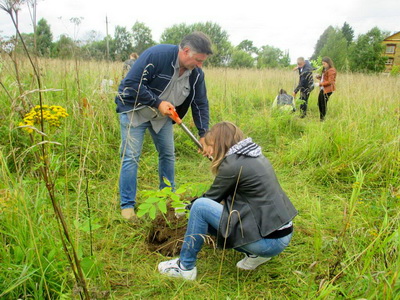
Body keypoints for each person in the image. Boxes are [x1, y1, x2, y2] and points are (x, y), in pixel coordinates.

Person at [158, 122, 298, 280]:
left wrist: (185, 208)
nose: (208, 150)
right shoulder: (253, 155)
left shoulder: (233, 165)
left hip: (269, 242)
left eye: (211, 145)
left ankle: (184, 267)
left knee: (200, 207)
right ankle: (255, 255)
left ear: (221, 144)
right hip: (281, 233)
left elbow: (210, 199)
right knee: (210, 213)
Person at [115, 32, 213, 220]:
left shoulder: (196, 75)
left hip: (162, 118)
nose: (200, 66)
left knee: (168, 155)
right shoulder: (157, 56)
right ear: (185, 51)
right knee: (130, 156)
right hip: (135, 112)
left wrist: (204, 134)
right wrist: (157, 102)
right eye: (198, 60)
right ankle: (127, 205)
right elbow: (131, 84)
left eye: (203, 62)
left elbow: (200, 103)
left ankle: (167, 198)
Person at [316, 57, 336, 121]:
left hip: (328, 89)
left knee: (323, 103)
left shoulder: (331, 70)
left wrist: (319, 84)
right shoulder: (325, 70)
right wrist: (319, 78)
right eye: (322, 64)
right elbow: (325, 79)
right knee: (319, 103)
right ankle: (321, 117)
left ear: (328, 63)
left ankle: (322, 119)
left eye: (324, 63)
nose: (323, 65)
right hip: (323, 88)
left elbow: (330, 82)